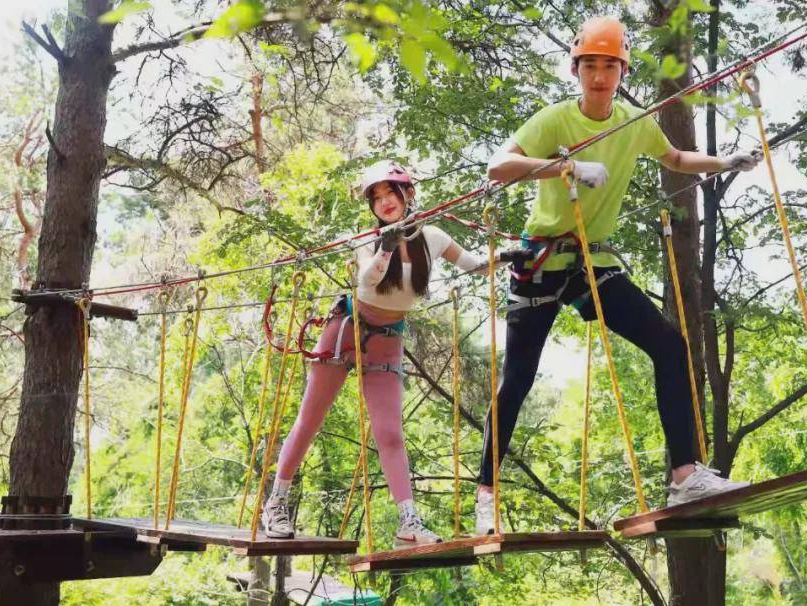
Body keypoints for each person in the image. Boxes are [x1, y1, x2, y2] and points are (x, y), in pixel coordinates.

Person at [475, 16, 756, 534]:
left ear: (622, 71)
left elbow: (673, 156)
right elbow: (498, 166)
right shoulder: (556, 120)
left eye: (609, 65)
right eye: (590, 65)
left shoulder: (634, 122)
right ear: (576, 69)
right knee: (517, 378)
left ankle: (685, 473)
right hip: (541, 262)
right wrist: (563, 167)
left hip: (590, 263)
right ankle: (486, 493)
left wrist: (725, 161)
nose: (599, 75)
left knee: (669, 346)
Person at [262, 160, 491, 548]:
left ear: (408, 194)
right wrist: (385, 247)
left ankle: (408, 521)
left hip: (388, 337)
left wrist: (514, 256)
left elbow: (475, 266)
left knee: (390, 433)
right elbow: (366, 283)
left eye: (391, 193)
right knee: (311, 418)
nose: (384, 202)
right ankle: (276, 502)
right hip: (346, 329)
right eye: (377, 198)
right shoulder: (365, 241)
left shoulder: (433, 237)